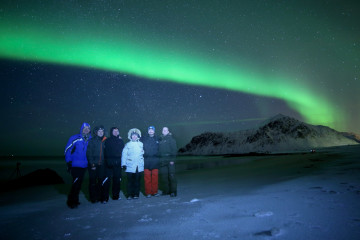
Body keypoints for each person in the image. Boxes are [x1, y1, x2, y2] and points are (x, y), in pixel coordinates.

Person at [64, 122, 92, 209]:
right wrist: (68, 162)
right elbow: (67, 149)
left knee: (79, 183)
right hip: (75, 164)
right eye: (85, 128)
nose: (86, 130)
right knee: (75, 183)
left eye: (88, 128)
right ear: (82, 129)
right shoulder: (76, 138)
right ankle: (71, 201)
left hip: (84, 165)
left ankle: (75, 200)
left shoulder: (90, 139)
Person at [121, 128, 144, 200]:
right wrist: (123, 164)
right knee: (130, 181)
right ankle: (129, 194)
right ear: (130, 136)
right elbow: (124, 154)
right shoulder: (127, 144)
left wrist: (143, 152)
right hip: (130, 166)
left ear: (138, 136)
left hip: (138, 166)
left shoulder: (141, 144)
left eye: (135, 135)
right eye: (133, 135)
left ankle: (136, 194)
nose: (134, 137)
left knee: (137, 181)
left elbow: (143, 153)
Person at [86, 125, 107, 203]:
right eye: (99, 131)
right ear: (96, 132)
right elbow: (89, 153)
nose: (101, 132)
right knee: (93, 182)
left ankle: (101, 197)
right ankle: (93, 198)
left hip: (102, 165)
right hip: (94, 165)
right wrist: (92, 164)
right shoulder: (92, 140)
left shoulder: (105, 140)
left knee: (101, 181)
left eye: (102, 131)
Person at [104, 127, 125, 200]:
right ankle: (105, 197)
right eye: (114, 131)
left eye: (117, 131)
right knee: (107, 181)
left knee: (117, 181)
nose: (116, 132)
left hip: (118, 164)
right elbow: (106, 152)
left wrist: (123, 163)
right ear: (111, 132)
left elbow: (123, 152)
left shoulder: (121, 141)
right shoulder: (108, 140)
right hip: (109, 164)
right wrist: (108, 162)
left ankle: (116, 195)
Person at [158, 127, 178, 197]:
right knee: (164, 177)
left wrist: (172, 159)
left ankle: (173, 191)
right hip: (162, 161)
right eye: (163, 130)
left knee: (171, 176)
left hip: (170, 160)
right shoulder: (160, 140)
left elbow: (174, 150)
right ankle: (166, 191)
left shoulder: (171, 139)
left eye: (166, 130)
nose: (164, 131)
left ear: (168, 131)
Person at [141, 126, 160, 198]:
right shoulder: (143, 138)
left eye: (152, 130)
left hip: (155, 161)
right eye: (149, 130)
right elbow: (135, 139)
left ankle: (155, 192)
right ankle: (148, 192)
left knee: (155, 178)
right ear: (148, 131)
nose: (151, 131)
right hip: (146, 161)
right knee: (147, 178)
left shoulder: (158, 138)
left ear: (154, 131)